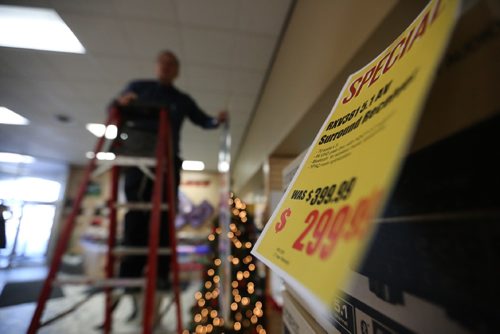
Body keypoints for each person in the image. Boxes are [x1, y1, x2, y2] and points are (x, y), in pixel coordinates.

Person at [110, 50, 227, 293]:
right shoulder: (138, 87)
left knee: (165, 215)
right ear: (156, 67)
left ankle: (161, 273)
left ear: (177, 71)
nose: (166, 67)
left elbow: (203, 120)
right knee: (135, 213)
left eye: (171, 64)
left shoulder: (181, 99)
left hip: (168, 161)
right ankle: (130, 275)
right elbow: (113, 106)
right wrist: (122, 102)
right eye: (162, 63)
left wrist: (217, 121)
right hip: (139, 157)